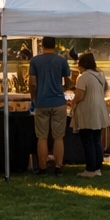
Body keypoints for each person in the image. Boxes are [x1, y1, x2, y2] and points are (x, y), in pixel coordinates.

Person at [30, 37, 71, 176]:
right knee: (58, 137)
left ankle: (42, 167)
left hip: (41, 102)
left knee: (42, 137)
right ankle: (58, 167)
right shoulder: (62, 61)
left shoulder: (35, 61)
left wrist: (33, 97)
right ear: (55, 45)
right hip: (58, 102)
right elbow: (67, 80)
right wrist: (63, 89)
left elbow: (32, 82)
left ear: (42, 45)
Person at [70, 52, 109, 177]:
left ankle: (90, 169)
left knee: (87, 141)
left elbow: (80, 95)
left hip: (87, 111)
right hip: (99, 109)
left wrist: (73, 102)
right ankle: (97, 168)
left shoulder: (83, 77)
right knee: (96, 141)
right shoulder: (100, 75)